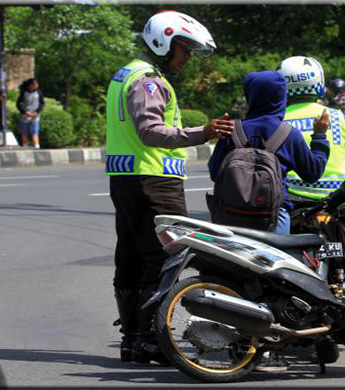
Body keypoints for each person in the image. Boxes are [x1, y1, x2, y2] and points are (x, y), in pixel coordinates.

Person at [106, 10, 233, 366]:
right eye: (185, 49)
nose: (188, 57)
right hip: (153, 181)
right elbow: (150, 130)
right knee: (164, 259)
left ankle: (132, 339)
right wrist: (201, 133)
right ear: (164, 43)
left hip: (127, 180)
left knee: (130, 257)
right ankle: (150, 339)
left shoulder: (126, 73)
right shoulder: (148, 81)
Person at [207, 70, 330, 235]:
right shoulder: (288, 134)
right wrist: (320, 136)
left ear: (250, 95)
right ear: (281, 97)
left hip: (230, 215)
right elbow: (312, 173)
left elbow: (215, 173)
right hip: (274, 216)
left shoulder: (230, 130)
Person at [276, 56, 345, 201]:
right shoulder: (338, 117)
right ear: (319, 82)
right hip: (337, 197)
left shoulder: (278, 119)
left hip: (292, 196)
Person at [16, 78, 44, 149]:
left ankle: (36, 145)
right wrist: (24, 111)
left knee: (35, 130)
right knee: (24, 131)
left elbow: (42, 103)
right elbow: (18, 104)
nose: (37, 85)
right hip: (25, 115)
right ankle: (25, 145)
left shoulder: (38, 92)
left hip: (35, 115)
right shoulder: (24, 92)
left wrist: (37, 111)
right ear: (31, 85)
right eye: (35, 84)